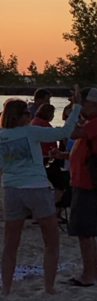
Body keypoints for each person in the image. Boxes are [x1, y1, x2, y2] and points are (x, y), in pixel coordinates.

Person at [0, 86, 82, 295]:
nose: (30, 116)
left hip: (12, 191)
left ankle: (6, 289)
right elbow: (65, 132)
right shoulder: (31, 131)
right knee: (51, 241)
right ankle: (49, 287)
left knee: (10, 244)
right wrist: (76, 108)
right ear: (20, 116)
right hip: (36, 188)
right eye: (27, 113)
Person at [66, 88, 97, 286]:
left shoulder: (94, 124)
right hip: (84, 183)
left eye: (84, 103)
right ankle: (92, 271)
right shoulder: (91, 124)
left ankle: (88, 275)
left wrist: (74, 110)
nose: (81, 107)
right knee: (88, 232)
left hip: (87, 185)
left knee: (84, 233)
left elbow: (72, 133)